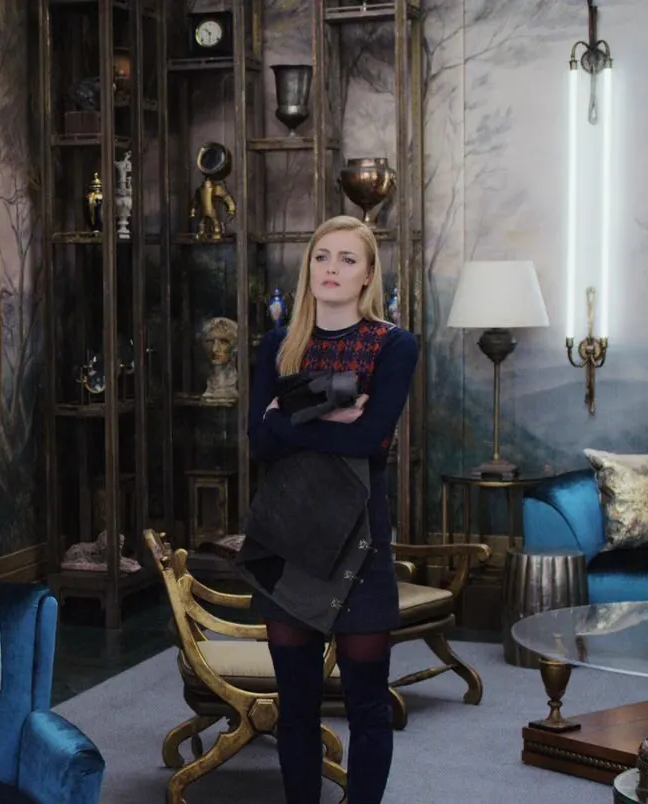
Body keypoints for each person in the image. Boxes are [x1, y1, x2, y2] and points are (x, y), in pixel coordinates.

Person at [245, 214, 416, 804]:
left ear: (368, 274)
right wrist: (329, 416)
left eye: (347, 259)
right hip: (287, 535)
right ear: (308, 269)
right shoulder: (278, 345)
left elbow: (369, 441)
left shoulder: (394, 345)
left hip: (360, 538)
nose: (332, 269)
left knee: (367, 705)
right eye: (322, 257)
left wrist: (287, 419)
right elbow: (259, 444)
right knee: (296, 707)